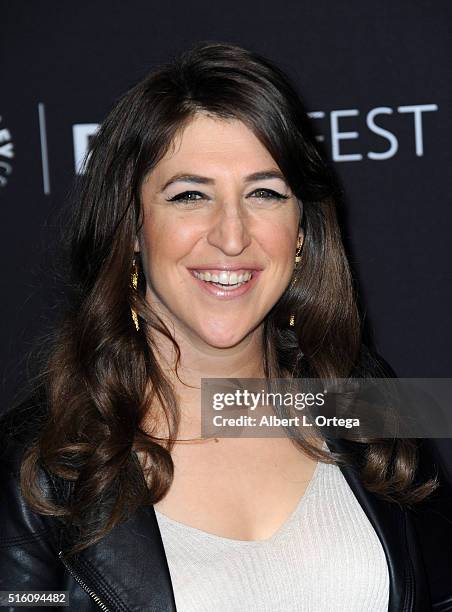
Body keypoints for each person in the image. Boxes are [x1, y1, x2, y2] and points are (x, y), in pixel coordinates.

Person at [1, 40, 451, 612]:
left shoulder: (369, 401)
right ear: (131, 231)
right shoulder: (37, 467)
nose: (232, 236)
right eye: (190, 195)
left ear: (302, 232)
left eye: (264, 193)